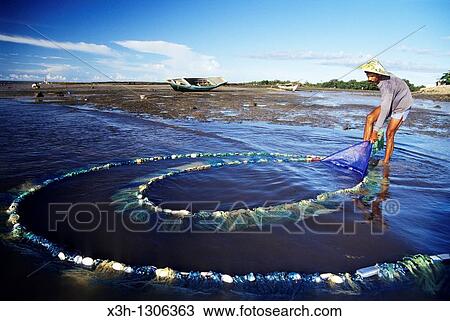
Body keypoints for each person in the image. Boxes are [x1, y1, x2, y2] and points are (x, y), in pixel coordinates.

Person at [359, 59, 413, 164]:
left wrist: (375, 131)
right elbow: (386, 105)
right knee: (370, 118)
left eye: (372, 76)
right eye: (368, 76)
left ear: (378, 74)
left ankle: (386, 162)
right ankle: (364, 152)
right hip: (392, 100)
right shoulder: (381, 79)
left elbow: (385, 108)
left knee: (389, 133)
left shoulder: (387, 86)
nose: (369, 79)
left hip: (402, 105)